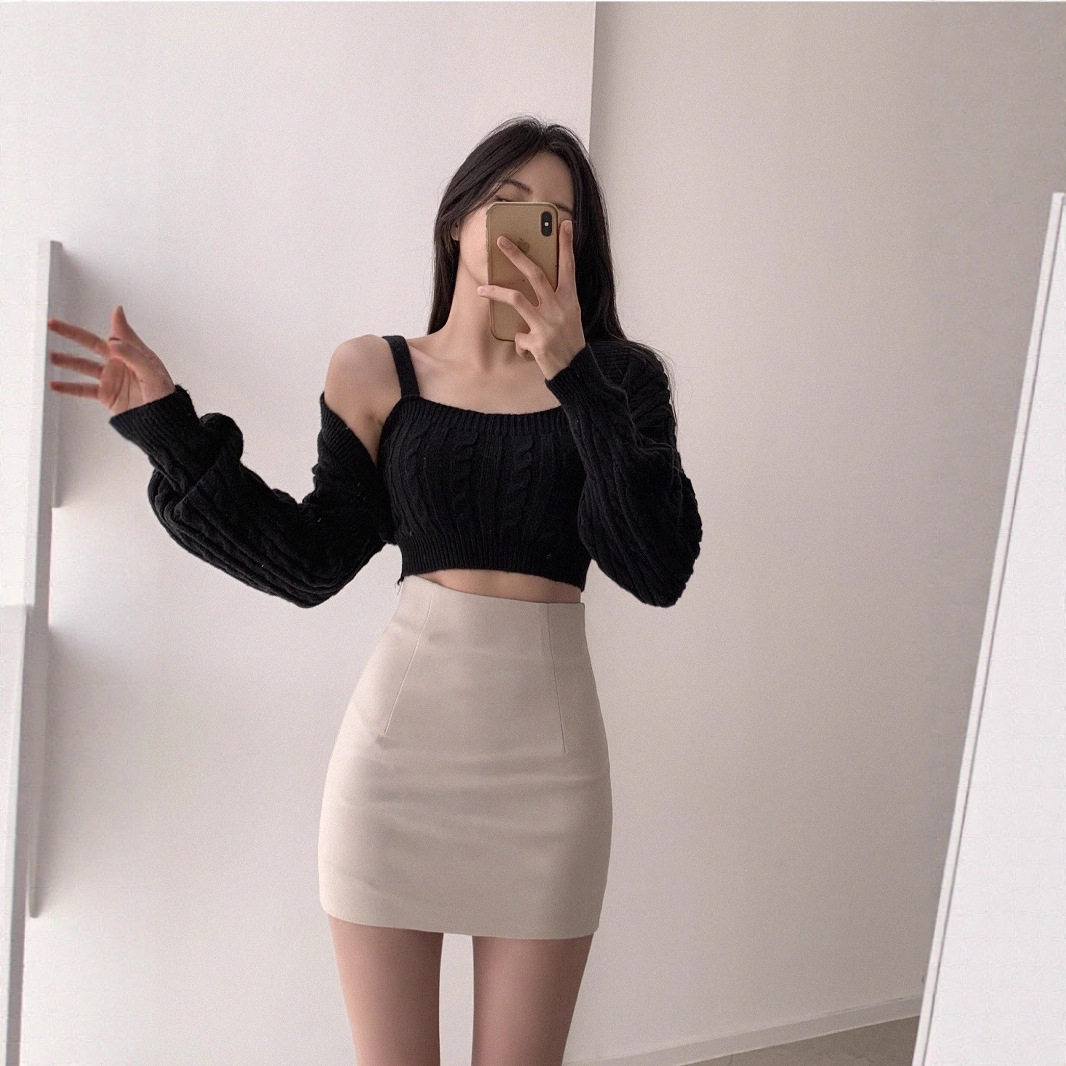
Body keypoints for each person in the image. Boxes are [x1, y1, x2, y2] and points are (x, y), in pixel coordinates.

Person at [46, 115, 702, 1066]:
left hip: (550, 778)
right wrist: (167, 430)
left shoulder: (620, 384)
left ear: (579, 248)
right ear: (457, 221)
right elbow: (308, 561)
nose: (530, 230)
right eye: (508, 203)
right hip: (396, 768)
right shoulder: (373, 372)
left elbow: (657, 566)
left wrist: (573, 375)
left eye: (556, 218)